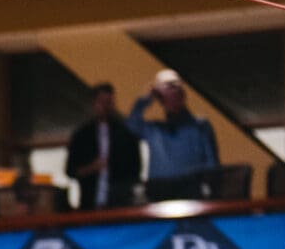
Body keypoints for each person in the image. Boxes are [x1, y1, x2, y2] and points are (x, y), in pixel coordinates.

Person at [130, 70, 220, 199]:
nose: (172, 93)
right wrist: (148, 97)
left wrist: (211, 188)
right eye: (166, 89)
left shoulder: (200, 126)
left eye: (175, 88)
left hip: (191, 189)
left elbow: (212, 164)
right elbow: (132, 125)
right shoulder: (153, 129)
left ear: (182, 94)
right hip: (159, 190)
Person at [67, 83, 143, 210]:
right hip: (89, 202)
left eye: (109, 102)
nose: (106, 106)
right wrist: (92, 168)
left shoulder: (125, 133)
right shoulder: (81, 136)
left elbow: (136, 169)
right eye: (102, 102)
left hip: (121, 203)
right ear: (93, 103)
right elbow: (70, 171)